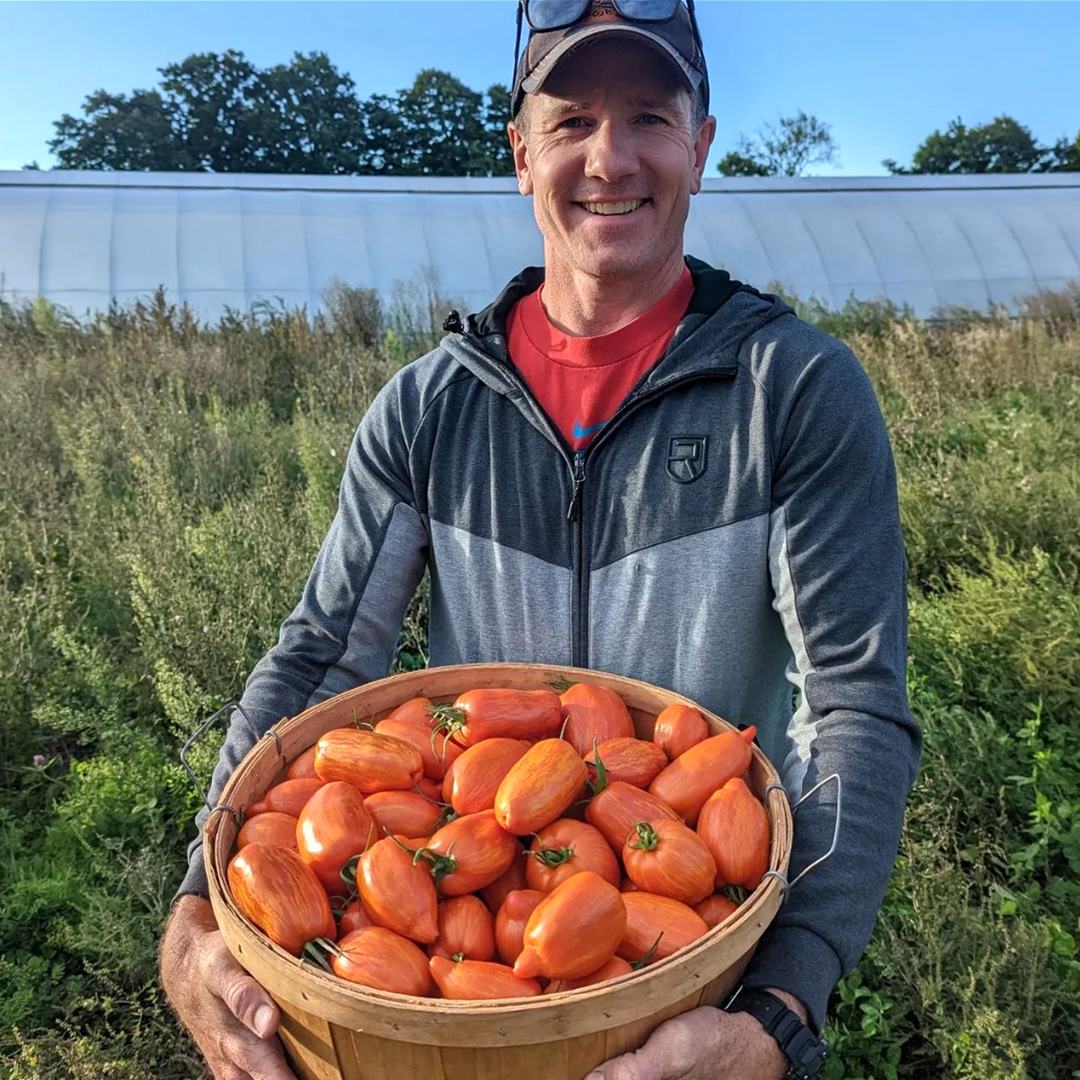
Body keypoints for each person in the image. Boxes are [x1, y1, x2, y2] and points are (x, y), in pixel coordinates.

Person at [159, 2, 921, 1078]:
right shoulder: (427, 412)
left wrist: (780, 1012)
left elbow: (856, 705)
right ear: (522, 155)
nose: (610, 158)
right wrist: (194, 912)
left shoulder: (793, 393)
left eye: (650, 117)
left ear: (701, 148)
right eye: (571, 122)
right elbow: (325, 656)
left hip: (693, 962)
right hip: (474, 977)